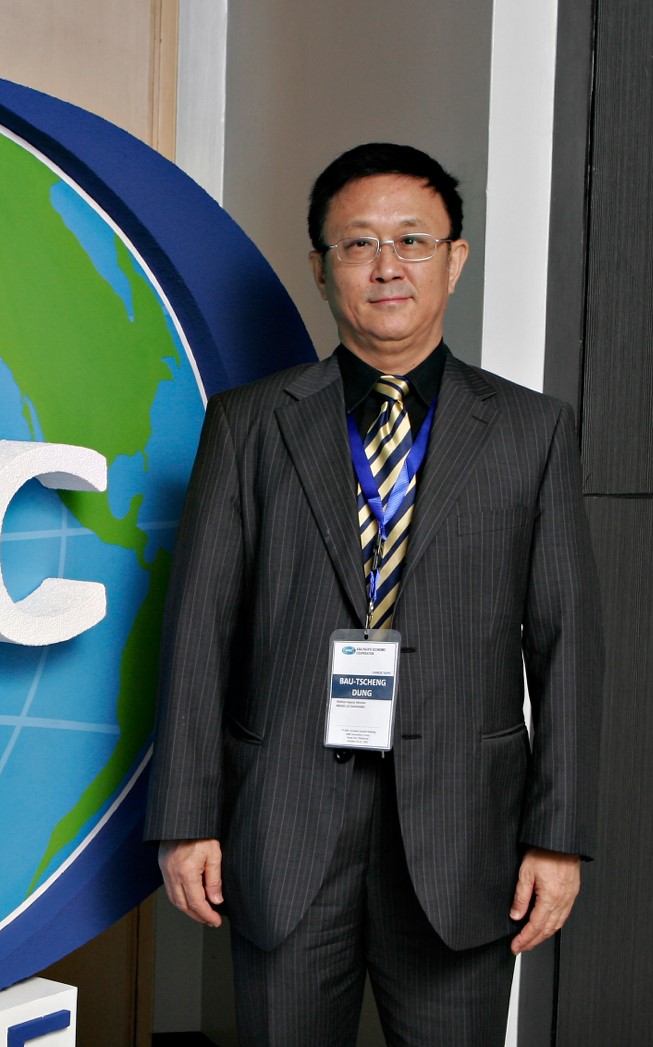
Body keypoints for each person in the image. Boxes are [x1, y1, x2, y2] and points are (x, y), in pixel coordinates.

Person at [144, 143, 603, 1046]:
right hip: (283, 824)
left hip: (464, 834)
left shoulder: (531, 430)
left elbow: (566, 642)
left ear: (453, 259)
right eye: (357, 244)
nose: (386, 266)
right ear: (321, 268)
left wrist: (559, 835)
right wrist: (185, 820)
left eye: (412, 240)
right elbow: (198, 631)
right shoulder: (247, 424)